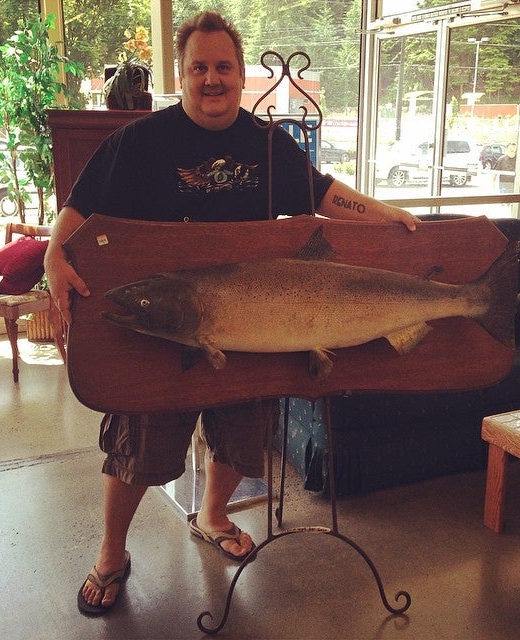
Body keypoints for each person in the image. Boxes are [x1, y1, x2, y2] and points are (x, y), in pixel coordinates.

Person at [44, 11, 418, 615]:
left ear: (241, 75)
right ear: (182, 75)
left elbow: (324, 192)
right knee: (139, 446)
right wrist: (53, 255)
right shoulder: (138, 142)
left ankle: (212, 516)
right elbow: (78, 207)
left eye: (223, 67)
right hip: (161, 327)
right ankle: (111, 554)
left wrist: (385, 214)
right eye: (199, 67)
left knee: (244, 435)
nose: (212, 79)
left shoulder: (267, 144)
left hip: (253, 323)